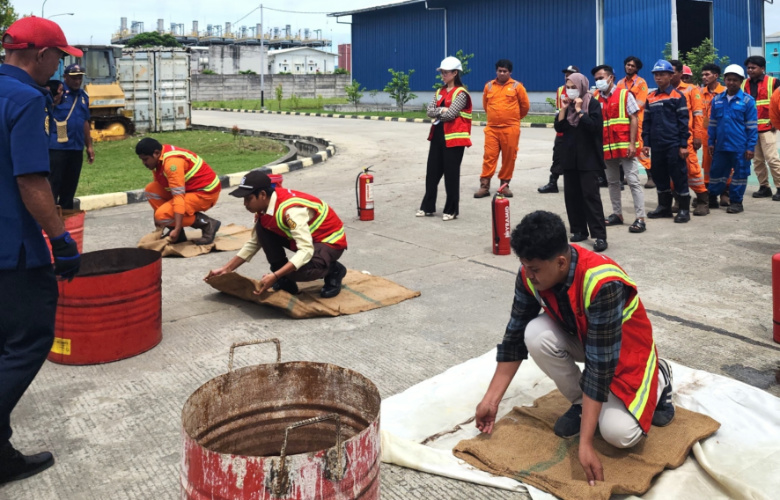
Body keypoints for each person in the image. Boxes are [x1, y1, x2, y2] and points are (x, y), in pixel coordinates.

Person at [474, 210, 674, 487]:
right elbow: (514, 337)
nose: (528, 275)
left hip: (626, 351)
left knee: (619, 435)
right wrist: (491, 400)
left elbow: (599, 366)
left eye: (535, 269)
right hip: (586, 339)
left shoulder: (603, 283)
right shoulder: (531, 273)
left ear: (560, 262)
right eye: (525, 266)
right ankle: (582, 405)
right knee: (534, 333)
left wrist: (585, 443)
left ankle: (660, 375)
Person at [0, 16, 82, 485]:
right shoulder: (26, 99)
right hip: (13, 250)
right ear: (42, 54)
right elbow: (31, 179)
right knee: (28, 342)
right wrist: (61, 239)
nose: (60, 67)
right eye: (60, 58)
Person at [205, 171, 348, 299]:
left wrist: (275, 275)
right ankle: (285, 281)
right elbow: (255, 242)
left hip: (329, 241)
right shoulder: (265, 207)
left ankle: (334, 270)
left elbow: (306, 250)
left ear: (262, 195)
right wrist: (227, 268)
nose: (245, 204)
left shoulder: (291, 211)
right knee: (262, 229)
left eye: (248, 198)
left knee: (297, 272)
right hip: (307, 239)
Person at [554, 72, 608, 252]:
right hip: (570, 158)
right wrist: (564, 109)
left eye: (574, 87)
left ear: (582, 87)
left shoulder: (592, 103)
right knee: (572, 196)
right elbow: (559, 127)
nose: (570, 91)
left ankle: (599, 236)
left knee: (591, 197)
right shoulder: (567, 106)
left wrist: (580, 111)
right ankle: (579, 230)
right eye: (568, 88)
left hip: (588, 159)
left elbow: (594, 127)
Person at [592, 65, 646, 233]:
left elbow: (634, 118)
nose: (598, 81)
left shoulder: (624, 94)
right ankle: (617, 214)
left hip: (625, 146)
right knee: (612, 182)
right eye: (596, 79)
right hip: (607, 148)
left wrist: (632, 143)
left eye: (601, 78)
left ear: (611, 78)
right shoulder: (596, 98)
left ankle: (640, 218)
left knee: (633, 181)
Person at [136, 138, 222, 245]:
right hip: (190, 190)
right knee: (151, 190)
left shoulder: (172, 164)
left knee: (162, 217)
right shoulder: (160, 157)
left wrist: (175, 227)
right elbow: (159, 183)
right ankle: (178, 234)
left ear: (156, 153)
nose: (144, 163)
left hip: (206, 193)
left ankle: (208, 224)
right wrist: (160, 225)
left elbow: (178, 197)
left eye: (145, 159)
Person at [418, 56, 472, 220]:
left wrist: (441, 111)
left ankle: (451, 210)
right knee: (432, 173)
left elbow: (451, 114)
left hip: (454, 139)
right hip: (438, 136)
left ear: (455, 73)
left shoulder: (461, 93)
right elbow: (429, 111)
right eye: (442, 72)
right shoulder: (439, 92)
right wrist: (442, 110)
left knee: (451, 175)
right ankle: (427, 207)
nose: (443, 75)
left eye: (446, 72)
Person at [642, 60, 691, 223]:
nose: (658, 77)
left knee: (679, 176)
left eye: (662, 74)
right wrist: (646, 143)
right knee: (659, 176)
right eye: (656, 74)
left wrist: (683, 145)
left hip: (673, 144)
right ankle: (664, 208)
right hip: (657, 145)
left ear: (671, 76)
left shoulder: (678, 96)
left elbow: (683, 122)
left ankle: (684, 209)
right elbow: (646, 122)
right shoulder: (651, 97)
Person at [474, 59, 530, 198]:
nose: (502, 73)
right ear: (496, 71)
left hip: (510, 128)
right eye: (500, 71)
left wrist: (513, 119)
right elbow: (486, 105)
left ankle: (504, 186)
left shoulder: (517, 87)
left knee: (509, 158)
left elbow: (525, 106)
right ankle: (484, 186)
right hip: (492, 129)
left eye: (505, 71)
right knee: (489, 156)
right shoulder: (489, 86)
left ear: (510, 72)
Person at [706, 65, 758, 214]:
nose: (731, 83)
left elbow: (752, 126)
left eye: (735, 80)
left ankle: (736, 202)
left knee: (740, 174)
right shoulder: (717, 100)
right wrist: (711, 142)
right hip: (721, 145)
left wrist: (750, 147)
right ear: (724, 80)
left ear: (741, 81)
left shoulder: (747, 101)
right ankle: (712, 197)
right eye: (729, 79)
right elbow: (713, 123)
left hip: (740, 146)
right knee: (716, 172)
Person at [49, 63, 93, 210]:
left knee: (70, 186)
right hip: (57, 148)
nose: (77, 81)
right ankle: (51, 216)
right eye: (74, 78)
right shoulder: (58, 93)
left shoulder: (83, 96)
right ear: (65, 77)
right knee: (53, 184)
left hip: (76, 147)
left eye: (80, 78)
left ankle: (66, 216)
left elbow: (85, 121)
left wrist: (89, 146)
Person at [671, 60, 709, 216]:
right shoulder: (664, 90)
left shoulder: (691, 90)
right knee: (671, 171)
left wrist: (697, 136)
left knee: (692, 169)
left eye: (672, 72)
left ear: (680, 73)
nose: (669, 75)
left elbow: (698, 114)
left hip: (686, 137)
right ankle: (679, 199)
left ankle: (702, 200)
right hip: (669, 138)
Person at [742, 56, 780, 200]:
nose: (750, 70)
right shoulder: (744, 84)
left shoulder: (773, 82)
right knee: (757, 161)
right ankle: (764, 187)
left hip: (768, 128)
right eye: (748, 68)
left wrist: (776, 121)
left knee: (772, 159)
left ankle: (779, 187)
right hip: (751, 129)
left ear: (762, 68)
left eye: (753, 67)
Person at [539, 65, 579, 194]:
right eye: (566, 74)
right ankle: (553, 182)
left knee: (576, 158)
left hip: (576, 131)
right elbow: (558, 110)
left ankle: (577, 184)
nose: (567, 77)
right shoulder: (560, 90)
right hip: (562, 130)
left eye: (570, 74)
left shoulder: (583, 91)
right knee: (557, 156)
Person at [616, 56, 654, 188]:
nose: (630, 67)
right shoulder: (620, 83)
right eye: (628, 65)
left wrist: (627, 110)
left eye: (632, 66)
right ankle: (623, 176)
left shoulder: (641, 83)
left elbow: (641, 102)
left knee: (640, 146)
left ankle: (651, 176)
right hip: (623, 120)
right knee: (623, 146)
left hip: (637, 120)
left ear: (637, 68)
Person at [700, 63, 727, 204]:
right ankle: (710, 194)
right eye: (703, 75)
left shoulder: (725, 92)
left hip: (723, 135)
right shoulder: (700, 93)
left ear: (716, 76)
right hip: (706, 136)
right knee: (708, 166)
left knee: (725, 165)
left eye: (707, 74)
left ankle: (725, 193)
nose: (704, 77)